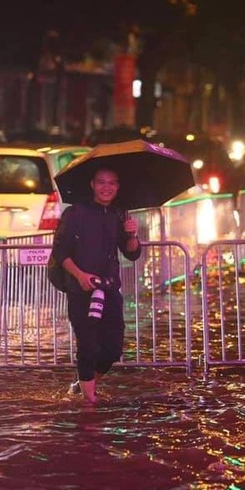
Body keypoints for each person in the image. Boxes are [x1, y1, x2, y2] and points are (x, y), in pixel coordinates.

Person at [51, 167, 142, 404]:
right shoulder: (75, 213)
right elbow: (60, 251)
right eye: (101, 182)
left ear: (118, 186)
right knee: (88, 345)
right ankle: (89, 404)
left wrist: (132, 235)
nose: (106, 187)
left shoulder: (119, 214)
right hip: (81, 290)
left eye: (112, 183)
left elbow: (131, 253)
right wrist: (80, 275)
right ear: (92, 184)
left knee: (112, 349)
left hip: (110, 290)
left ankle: (82, 385)